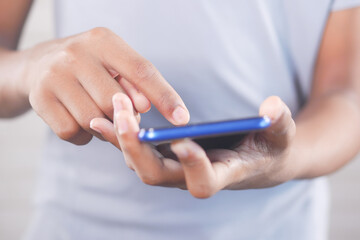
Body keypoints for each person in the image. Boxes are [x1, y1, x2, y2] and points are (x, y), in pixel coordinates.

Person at [1, 0, 360, 239]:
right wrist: (30, 69)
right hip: (79, 226)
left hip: (278, 227)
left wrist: (285, 159)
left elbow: (346, 94)